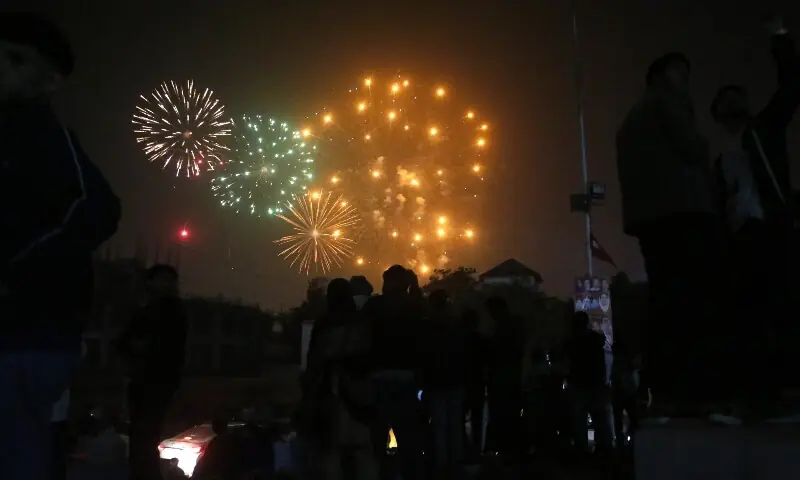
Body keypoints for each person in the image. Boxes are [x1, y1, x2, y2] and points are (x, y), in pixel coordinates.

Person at [0, 12, 122, 480]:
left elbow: (99, 210)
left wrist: (14, 271)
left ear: (50, 79)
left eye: (15, 59)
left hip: (25, 337)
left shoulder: (48, 140)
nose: (1, 67)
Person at [616, 50, 732, 419]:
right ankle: (699, 390)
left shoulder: (631, 121)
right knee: (694, 300)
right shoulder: (666, 106)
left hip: (649, 219)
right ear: (663, 76)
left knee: (665, 300)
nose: (685, 82)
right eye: (680, 73)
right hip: (683, 213)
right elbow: (693, 147)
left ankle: (666, 390)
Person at [711, 15, 800, 417]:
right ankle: (753, 393)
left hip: (770, 230)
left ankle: (784, 389)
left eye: (740, 96)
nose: (737, 102)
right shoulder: (717, 157)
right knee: (746, 317)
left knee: (779, 309)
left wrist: (780, 42)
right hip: (741, 238)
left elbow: (792, 88)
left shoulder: (764, 130)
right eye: (729, 99)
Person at [117, 264, 188, 480]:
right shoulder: (145, 310)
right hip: (144, 379)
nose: (166, 284)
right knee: (141, 435)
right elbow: (124, 341)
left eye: (170, 280)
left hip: (158, 381)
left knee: (146, 435)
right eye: (162, 279)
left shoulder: (173, 311)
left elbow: (165, 345)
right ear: (149, 282)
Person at [304, 278, 377, 480]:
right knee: (363, 454)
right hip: (359, 399)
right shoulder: (362, 323)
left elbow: (314, 363)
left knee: (331, 455)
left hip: (333, 399)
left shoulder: (324, 325)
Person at [363, 265, 425, 480]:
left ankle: (380, 473)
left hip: (379, 377)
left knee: (377, 437)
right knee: (407, 436)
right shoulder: (412, 307)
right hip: (407, 379)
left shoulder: (375, 306)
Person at [423, 289, 467, 478]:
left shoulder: (427, 327)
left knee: (440, 424)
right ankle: (456, 462)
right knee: (455, 424)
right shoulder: (456, 326)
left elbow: (423, 356)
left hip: (436, 382)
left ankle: (442, 464)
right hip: (455, 380)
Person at [566, 312, 613, 456]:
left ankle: (584, 450)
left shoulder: (574, 342)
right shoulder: (595, 340)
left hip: (582, 386)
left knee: (581, 420)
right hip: (595, 385)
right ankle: (604, 448)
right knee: (599, 418)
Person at [484, 297, 524, 459]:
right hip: (510, 379)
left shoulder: (502, 330)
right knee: (509, 415)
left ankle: (503, 450)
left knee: (501, 415)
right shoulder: (513, 326)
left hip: (502, 381)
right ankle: (510, 450)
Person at [463, 308, 488, 460]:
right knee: (477, 420)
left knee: (459, 420)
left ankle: (465, 450)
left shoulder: (461, 341)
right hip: (477, 385)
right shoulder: (482, 340)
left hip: (464, 384)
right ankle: (477, 450)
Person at [611, 342, 640, 449]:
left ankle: (623, 443)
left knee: (621, 420)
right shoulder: (624, 365)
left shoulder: (617, 364)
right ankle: (627, 442)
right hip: (624, 394)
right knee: (630, 419)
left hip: (622, 394)